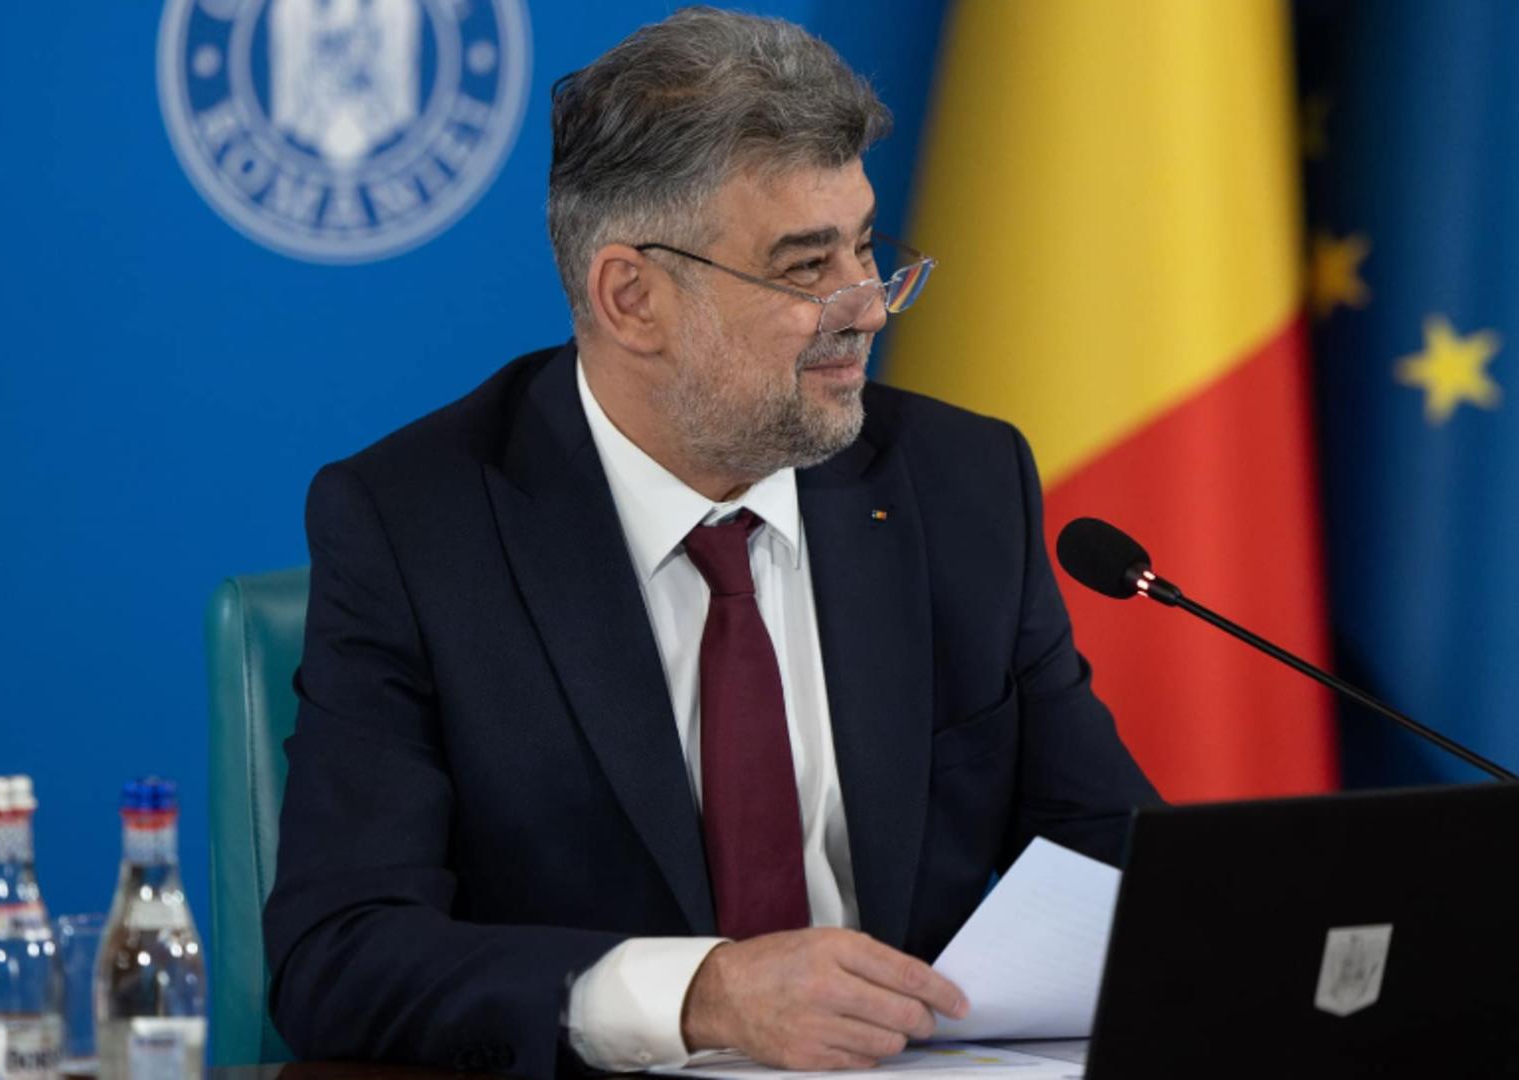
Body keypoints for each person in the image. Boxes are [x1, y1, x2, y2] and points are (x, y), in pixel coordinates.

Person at [262, 7, 1159, 1077]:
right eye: (805, 267)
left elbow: (1119, 867)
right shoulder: (419, 527)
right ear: (632, 297)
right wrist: (701, 995)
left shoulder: (959, 486)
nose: (867, 308)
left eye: (866, 246)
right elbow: (339, 957)